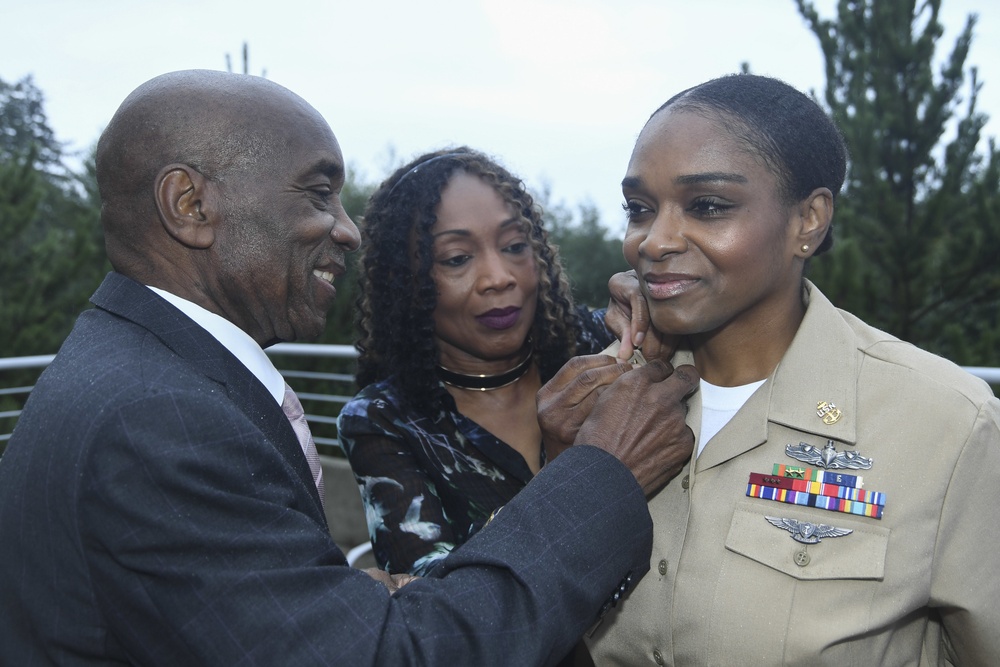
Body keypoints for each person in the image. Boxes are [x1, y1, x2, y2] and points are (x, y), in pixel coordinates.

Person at [0, 70, 700, 666]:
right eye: (316, 191)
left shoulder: (134, 375)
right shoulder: (158, 419)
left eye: (513, 246)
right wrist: (602, 469)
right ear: (191, 205)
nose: (348, 228)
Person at [560, 73, 1000, 665]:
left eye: (708, 206)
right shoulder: (609, 404)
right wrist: (567, 465)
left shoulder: (946, 426)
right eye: (639, 208)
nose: (654, 240)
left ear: (808, 221)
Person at [337, 147, 618, 579]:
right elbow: (436, 598)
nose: (498, 276)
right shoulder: (384, 421)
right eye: (457, 258)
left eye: (514, 246)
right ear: (406, 283)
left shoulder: (602, 345)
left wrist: (654, 296)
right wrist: (565, 469)